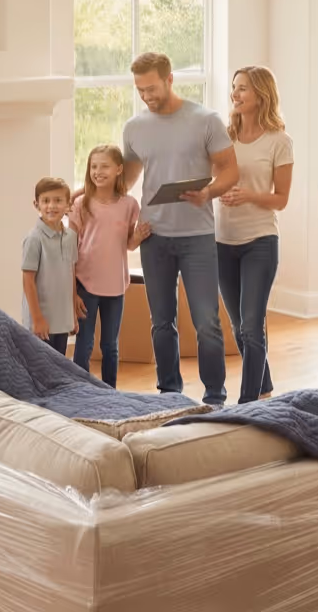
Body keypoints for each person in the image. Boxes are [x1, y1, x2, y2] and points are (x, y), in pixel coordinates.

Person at [122, 52, 240, 405]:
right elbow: (126, 180)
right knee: (161, 322)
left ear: (170, 79)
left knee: (207, 322)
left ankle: (215, 397)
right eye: (140, 90)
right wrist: (85, 194)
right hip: (153, 236)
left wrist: (208, 192)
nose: (147, 96)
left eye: (152, 88)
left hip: (197, 237)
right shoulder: (134, 127)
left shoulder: (205, 120)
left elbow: (230, 171)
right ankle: (169, 394)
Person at [215, 66, 294, 403]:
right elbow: (211, 179)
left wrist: (247, 194)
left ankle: (246, 405)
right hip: (223, 241)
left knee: (251, 326)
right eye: (234, 87)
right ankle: (264, 390)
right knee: (239, 328)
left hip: (260, 241)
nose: (235, 94)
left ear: (262, 94)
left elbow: (281, 199)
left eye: (243, 88)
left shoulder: (280, 141)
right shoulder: (223, 137)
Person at [68, 145, 150, 386]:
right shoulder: (81, 204)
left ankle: (109, 390)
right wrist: (72, 293)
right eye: (94, 166)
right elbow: (69, 254)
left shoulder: (129, 205)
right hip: (85, 284)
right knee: (84, 343)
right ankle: (80, 390)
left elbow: (128, 245)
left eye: (104, 166)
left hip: (115, 286)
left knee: (110, 346)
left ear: (119, 169)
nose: (97, 171)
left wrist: (139, 237)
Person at [22, 177, 78, 356]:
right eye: (46, 201)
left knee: (59, 367)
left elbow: (71, 273)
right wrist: (37, 319)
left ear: (68, 205)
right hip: (41, 321)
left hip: (62, 319)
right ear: (36, 204)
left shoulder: (70, 237)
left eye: (58, 200)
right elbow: (28, 280)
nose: (51, 206)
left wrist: (72, 315)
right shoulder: (34, 239)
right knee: (41, 369)